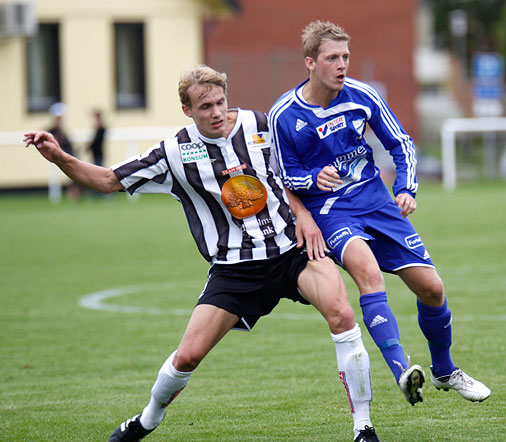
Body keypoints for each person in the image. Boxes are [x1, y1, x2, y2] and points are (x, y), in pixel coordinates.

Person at [24, 65, 381, 442]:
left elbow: (296, 173)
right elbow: (109, 180)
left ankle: (363, 427)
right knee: (188, 357)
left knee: (342, 314)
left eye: (220, 102)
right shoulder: (174, 152)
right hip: (234, 269)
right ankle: (146, 420)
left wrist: (306, 215)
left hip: (291, 252)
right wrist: (59, 157)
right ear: (187, 110)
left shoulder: (262, 125)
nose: (215, 112)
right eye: (205, 106)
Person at [269, 21, 490, 407]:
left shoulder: (361, 95)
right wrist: (311, 177)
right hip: (333, 213)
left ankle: (443, 369)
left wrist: (405, 187)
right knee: (369, 274)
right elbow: (281, 174)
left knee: (432, 288)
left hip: (377, 202)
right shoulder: (284, 114)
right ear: (310, 63)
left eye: (345, 57)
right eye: (332, 58)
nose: (342, 65)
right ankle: (402, 370)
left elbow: (400, 142)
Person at [48, 102, 82, 200]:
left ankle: (75, 194)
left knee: (75, 175)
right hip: (65, 155)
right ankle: (73, 194)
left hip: (70, 154)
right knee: (73, 175)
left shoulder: (61, 131)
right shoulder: (54, 131)